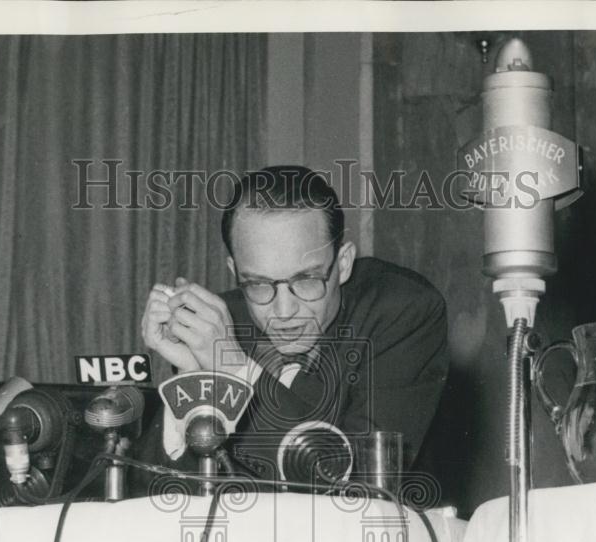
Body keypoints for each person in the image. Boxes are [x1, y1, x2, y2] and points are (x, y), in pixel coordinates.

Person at [134, 165, 448, 485]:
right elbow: (150, 491)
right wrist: (191, 378)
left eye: (307, 280)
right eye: (258, 284)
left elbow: (351, 482)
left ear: (343, 264)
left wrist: (234, 371)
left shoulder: (402, 311)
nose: (283, 311)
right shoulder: (225, 321)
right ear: (235, 270)